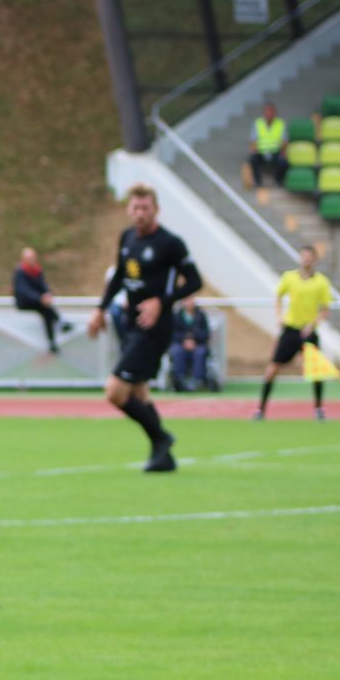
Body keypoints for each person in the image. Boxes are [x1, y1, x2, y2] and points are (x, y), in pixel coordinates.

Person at [86, 184, 200, 473]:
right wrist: (100, 309)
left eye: (145, 208)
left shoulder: (170, 243)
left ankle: (162, 438)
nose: (139, 213)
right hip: (131, 325)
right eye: (135, 207)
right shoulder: (127, 238)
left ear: (155, 210)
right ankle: (162, 456)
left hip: (155, 328)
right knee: (139, 395)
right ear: (129, 208)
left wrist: (162, 302)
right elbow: (119, 277)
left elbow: (194, 281)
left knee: (114, 391)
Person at [258, 244, 333, 422]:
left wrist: (313, 324)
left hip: (308, 331)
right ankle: (261, 409)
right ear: (300, 258)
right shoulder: (289, 277)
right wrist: (279, 316)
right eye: (303, 256)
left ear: (315, 260)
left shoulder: (321, 282)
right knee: (273, 367)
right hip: (291, 329)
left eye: (309, 257)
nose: (306, 260)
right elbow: (278, 296)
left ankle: (319, 409)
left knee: (316, 372)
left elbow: (325, 309)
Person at [11, 247, 70, 352]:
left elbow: (42, 285)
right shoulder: (20, 272)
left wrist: (48, 294)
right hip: (25, 302)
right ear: (24, 259)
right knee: (45, 308)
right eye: (30, 258)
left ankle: (52, 341)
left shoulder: (37, 270)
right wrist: (40, 298)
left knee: (46, 311)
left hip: (38, 301)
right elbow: (24, 291)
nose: (32, 260)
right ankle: (59, 323)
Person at [168, 298, 211, 392]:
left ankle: (195, 380)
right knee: (176, 350)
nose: (188, 303)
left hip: (197, 344)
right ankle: (179, 379)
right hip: (181, 345)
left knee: (200, 352)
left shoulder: (200, 315)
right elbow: (172, 333)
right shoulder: (177, 316)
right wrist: (184, 340)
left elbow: (206, 333)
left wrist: (194, 339)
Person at [248, 103, 287, 188]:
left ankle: (277, 181)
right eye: (267, 112)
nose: (269, 115)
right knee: (253, 159)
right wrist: (253, 147)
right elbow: (252, 140)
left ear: (275, 114)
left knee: (283, 162)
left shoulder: (280, 123)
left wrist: (284, 150)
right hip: (261, 151)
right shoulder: (258, 123)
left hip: (275, 151)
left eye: (271, 112)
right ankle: (258, 181)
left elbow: (284, 140)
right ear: (264, 113)